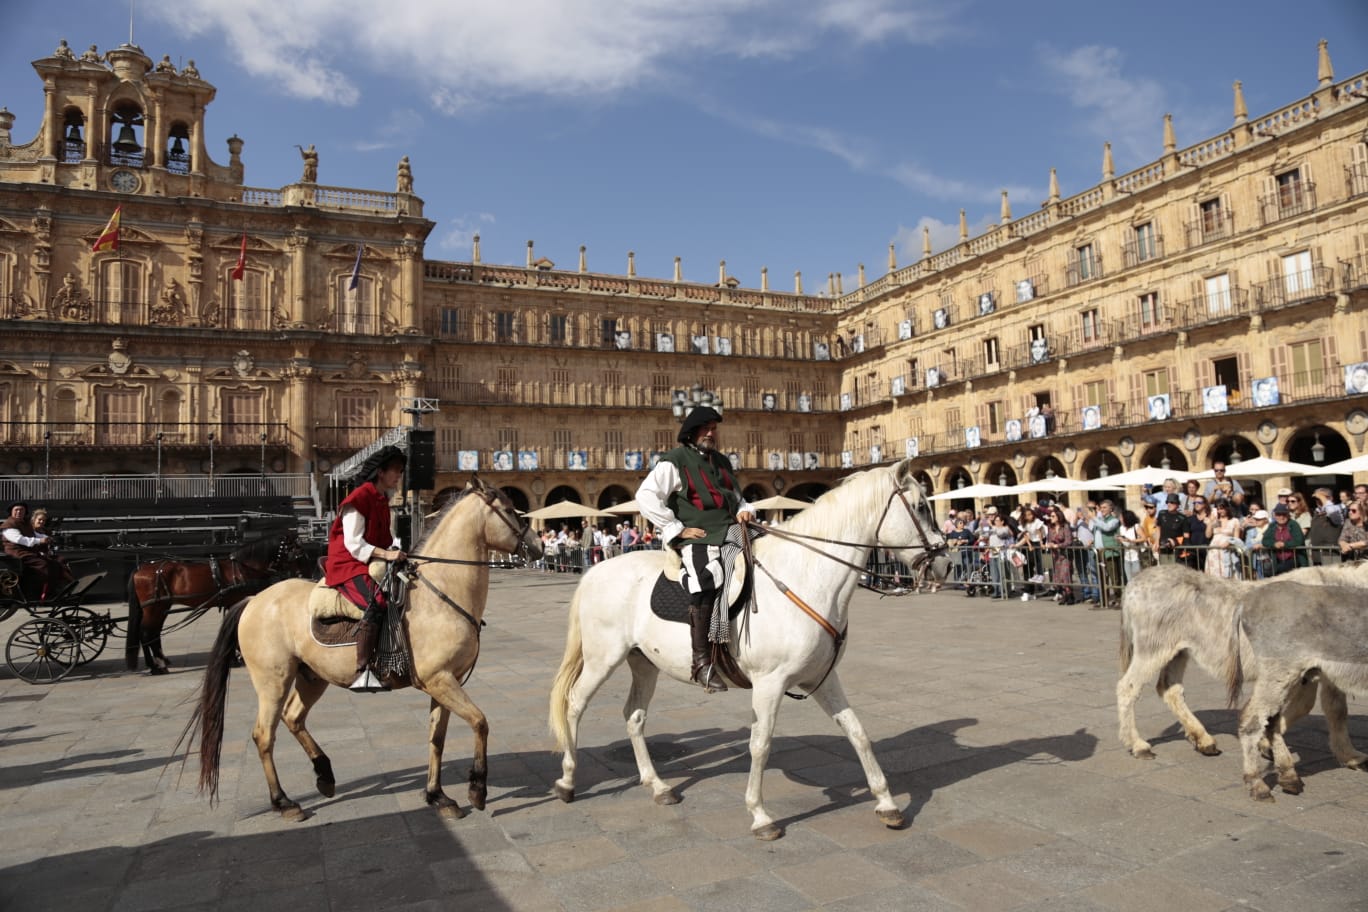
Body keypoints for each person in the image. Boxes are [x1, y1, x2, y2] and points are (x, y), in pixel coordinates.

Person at [636, 407, 754, 693]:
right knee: (705, 577)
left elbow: (738, 499)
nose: (711, 433)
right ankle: (701, 661)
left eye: (714, 428)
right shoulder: (675, 461)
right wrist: (676, 528)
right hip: (698, 536)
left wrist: (746, 511)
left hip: (730, 529)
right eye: (706, 428)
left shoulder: (722, 462)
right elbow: (646, 496)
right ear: (692, 431)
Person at [324, 446, 407, 692]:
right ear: (381, 472)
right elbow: (353, 543)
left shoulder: (382, 500)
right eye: (396, 471)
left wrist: (397, 552)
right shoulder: (359, 498)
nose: (399, 476)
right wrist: (386, 553)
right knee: (376, 601)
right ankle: (363, 671)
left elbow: (385, 539)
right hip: (347, 564)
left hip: (369, 562)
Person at [1, 502, 67, 600]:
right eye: (16, 510)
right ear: (11, 512)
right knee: (43, 564)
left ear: (25, 512)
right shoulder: (9, 524)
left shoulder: (24, 523)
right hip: (16, 553)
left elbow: (33, 534)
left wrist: (47, 538)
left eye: (21, 510)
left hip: (27, 552)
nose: (19, 512)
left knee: (54, 564)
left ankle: (50, 592)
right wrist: (40, 541)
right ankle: (34, 594)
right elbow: (20, 539)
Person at [1257, 503, 1307, 575]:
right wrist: (1274, 544)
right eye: (1278, 514)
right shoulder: (1272, 526)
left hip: (1294, 560)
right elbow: (1265, 540)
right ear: (1274, 515)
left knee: (1280, 570)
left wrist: (1284, 544)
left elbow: (1299, 540)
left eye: (1284, 514)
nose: (1281, 517)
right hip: (1277, 560)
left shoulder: (1293, 524)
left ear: (1288, 515)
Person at [1204, 500, 1242, 578]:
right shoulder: (1216, 521)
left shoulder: (1234, 521)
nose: (1219, 511)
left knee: (1227, 574)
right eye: (1218, 509)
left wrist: (1229, 543)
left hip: (1227, 551)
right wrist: (1211, 521)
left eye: (1221, 508)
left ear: (1227, 508)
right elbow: (1208, 535)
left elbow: (1236, 538)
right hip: (1214, 551)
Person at [1155, 493, 1188, 566]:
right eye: (1167, 502)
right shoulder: (1162, 513)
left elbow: (1186, 536)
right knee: (1164, 571)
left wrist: (1174, 541)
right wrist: (1157, 541)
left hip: (1176, 550)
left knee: (1175, 573)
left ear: (1177, 504)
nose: (1169, 504)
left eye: (1172, 502)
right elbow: (1158, 527)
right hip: (1163, 548)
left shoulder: (1182, 518)